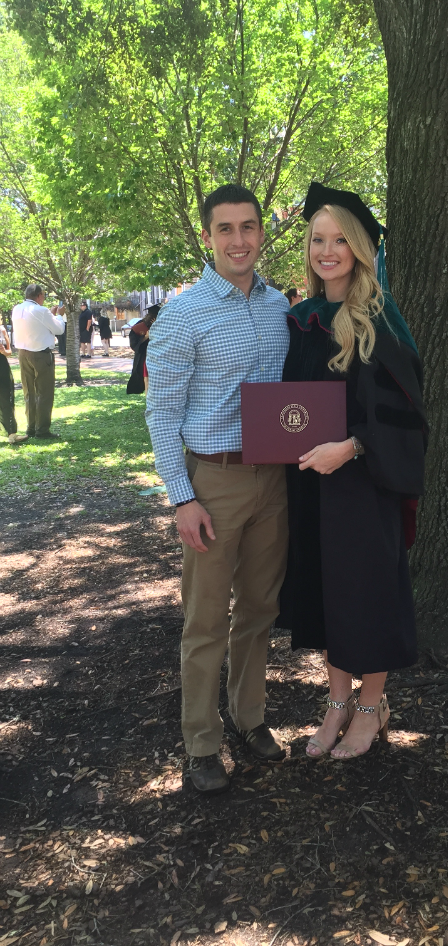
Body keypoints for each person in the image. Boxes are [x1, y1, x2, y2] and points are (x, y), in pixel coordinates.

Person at [145, 183, 290, 795]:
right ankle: (201, 743)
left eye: (248, 226)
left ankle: (248, 717)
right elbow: (160, 412)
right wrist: (183, 497)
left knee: (258, 610)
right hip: (213, 482)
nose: (238, 239)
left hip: (274, 480)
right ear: (208, 237)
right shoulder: (183, 314)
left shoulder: (280, 307)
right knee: (205, 620)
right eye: (225, 228)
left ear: (261, 233)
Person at [279, 182, 428, 761]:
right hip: (311, 484)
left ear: (361, 248)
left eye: (340, 239)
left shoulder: (379, 320)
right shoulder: (302, 319)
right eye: (318, 240)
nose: (327, 251)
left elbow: (406, 415)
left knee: (367, 593)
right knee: (326, 593)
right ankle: (336, 702)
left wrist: (353, 446)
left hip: (365, 485)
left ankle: (371, 707)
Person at [12, 284, 66, 439]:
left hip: (23, 353)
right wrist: (59, 316)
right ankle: (42, 430)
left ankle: (31, 427)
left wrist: (50, 315)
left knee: (29, 392)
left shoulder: (17, 309)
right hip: (40, 354)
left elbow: (35, 324)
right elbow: (59, 329)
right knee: (44, 392)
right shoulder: (41, 311)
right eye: (43, 295)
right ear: (39, 295)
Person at [0, 322, 28, 444]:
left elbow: (9, 352)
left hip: (2, 367)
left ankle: (12, 434)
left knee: (7, 398)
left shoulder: (2, 330)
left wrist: (3, 351)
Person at [126, 305, 160, 395]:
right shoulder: (140, 325)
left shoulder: (161, 324)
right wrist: (146, 336)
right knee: (145, 377)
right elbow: (134, 344)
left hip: (156, 355)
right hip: (143, 355)